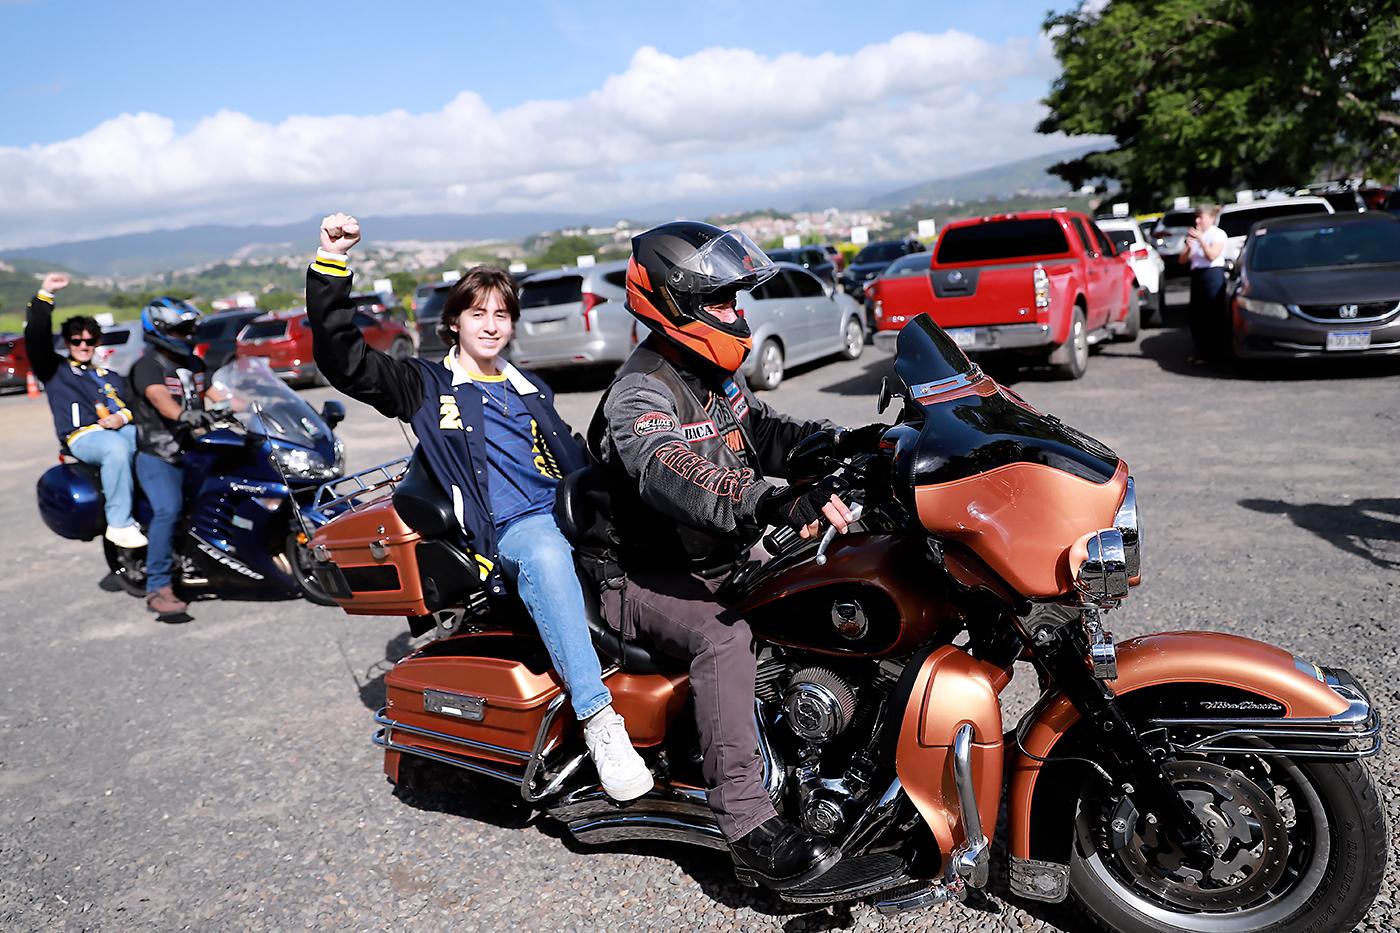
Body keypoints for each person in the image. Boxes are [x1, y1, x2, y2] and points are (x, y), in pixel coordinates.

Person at [305, 213, 652, 803]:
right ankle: (600, 720)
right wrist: (331, 263)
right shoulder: (426, 386)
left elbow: (575, 457)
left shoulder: (530, 388)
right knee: (544, 551)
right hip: (511, 532)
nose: (491, 325)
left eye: (501, 314)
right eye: (478, 313)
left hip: (569, 511)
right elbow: (344, 360)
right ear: (454, 323)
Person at [588, 221, 876, 890]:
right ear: (676, 303)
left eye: (735, 299)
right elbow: (672, 467)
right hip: (641, 574)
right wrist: (768, 501)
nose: (735, 312)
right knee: (726, 638)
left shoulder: (714, 373)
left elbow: (763, 431)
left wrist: (843, 441)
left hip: (713, 559)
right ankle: (747, 826)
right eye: (721, 300)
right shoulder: (641, 390)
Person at [23, 273, 146, 549]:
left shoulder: (109, 375)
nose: (83, 346)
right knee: (115, 448)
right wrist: (46, 295)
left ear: (97, 343)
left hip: (118, 430)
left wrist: (122, 416)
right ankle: (119, 522)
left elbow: (136, 405)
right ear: (67, 343)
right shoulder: (56, 370)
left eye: (89, 341)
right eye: (76, 341)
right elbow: (36, 337)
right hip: (82, 436)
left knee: (153, 441)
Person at [128, 297, 218, 615]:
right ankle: (158, 587)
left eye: (190, 328)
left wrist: (256, 403)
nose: (187, 334)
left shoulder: (194, 363)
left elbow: (217, 395)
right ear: (160, 330)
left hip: (195, 449)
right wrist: (184, 416)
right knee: (169, 510)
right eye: (181, 329)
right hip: (159, 454)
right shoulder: (148, 366)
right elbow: (161, 399)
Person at [1180, 204, 1228, 361]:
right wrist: (1188, 247)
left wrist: (1201, 240)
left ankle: (1217, 352)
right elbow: (1182, 260)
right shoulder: (1194, 236)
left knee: (1213, 314)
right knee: (1197, 315)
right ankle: (1200, 351)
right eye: (1197, 217)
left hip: (1212, 274)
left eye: (1202, 217)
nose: (1198, 220)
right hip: (1197, 274)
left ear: (1211, 219)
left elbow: (1212, 256)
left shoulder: (1218, 234)